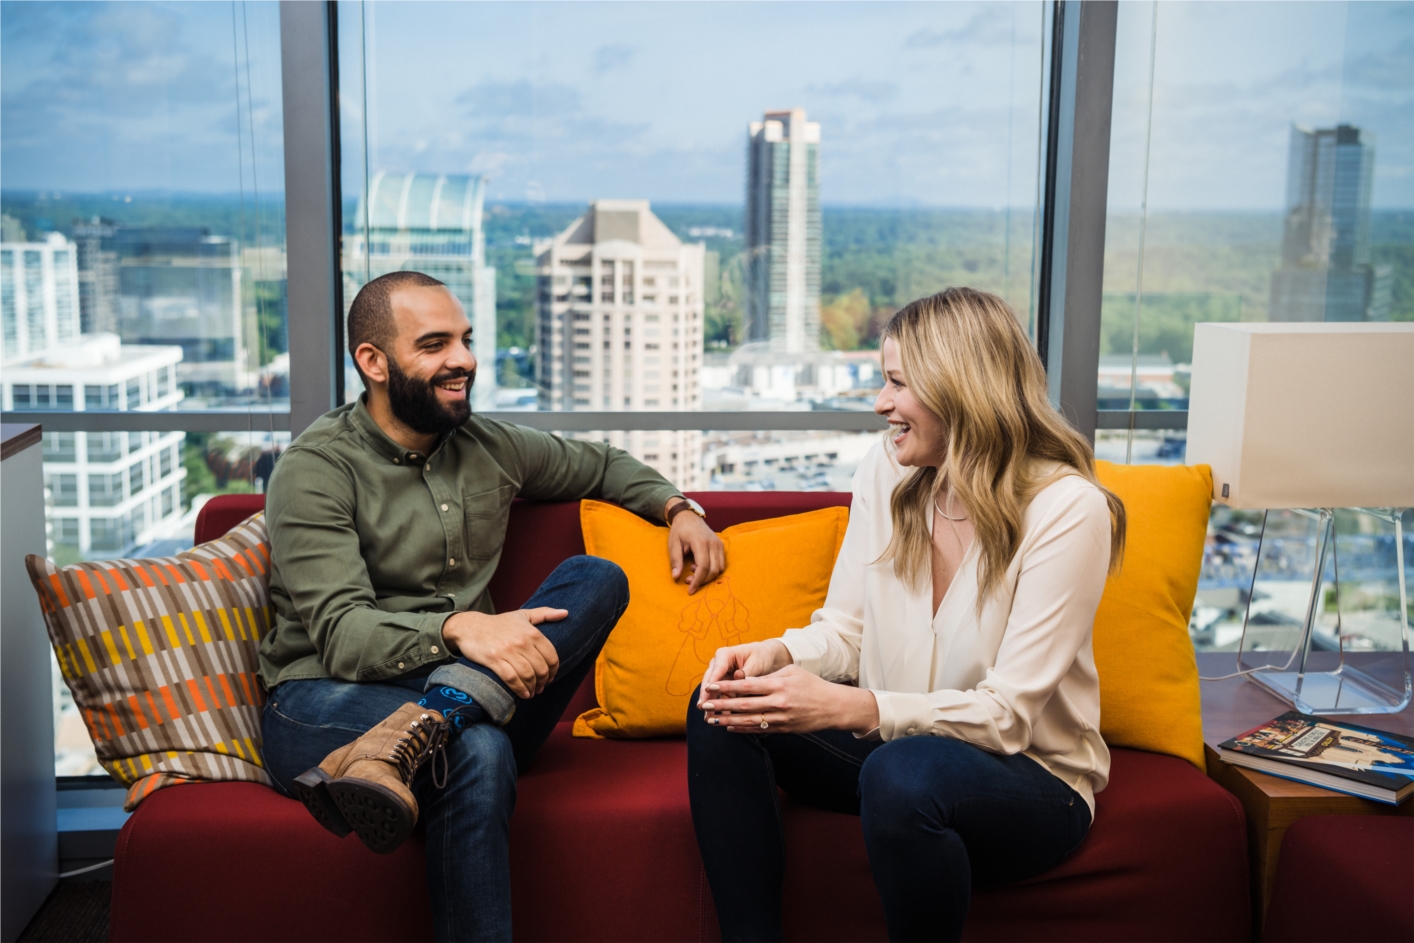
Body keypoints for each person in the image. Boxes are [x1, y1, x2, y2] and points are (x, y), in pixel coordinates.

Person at [260, 270, 725, 942]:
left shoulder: (490, 445)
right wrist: (460, 627)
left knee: (597, 576)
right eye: (435, 343)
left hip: (476, 688)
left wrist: (677, 509)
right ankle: (423, 729)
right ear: (374, 362)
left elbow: (602, 465)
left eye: (466, 340)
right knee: (476, 749)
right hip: (321, 701)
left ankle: (423, 726)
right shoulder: (316, 469)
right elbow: (342, 635)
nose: (464, 360)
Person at [686, 287, 1125, 943]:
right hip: (899, 751)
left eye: (896, 383)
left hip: (1031, 779)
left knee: (902, 772)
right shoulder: (887, 471)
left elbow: (1007, 717)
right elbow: (847, 632)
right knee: (721, 703)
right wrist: (779, 655)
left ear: (960, 389)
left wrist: (849, 708)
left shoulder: (1067, 509)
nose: (880, 403)